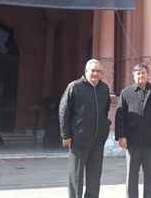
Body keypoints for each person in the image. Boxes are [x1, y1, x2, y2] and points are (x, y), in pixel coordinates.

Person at [58, 59, 111, 198]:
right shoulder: (75, 87)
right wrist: (65, 135)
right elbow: (64, 111)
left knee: (94, 178)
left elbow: (105, 111)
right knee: (76, 177)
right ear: (86, 71)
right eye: (93, 70)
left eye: (98, 71)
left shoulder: (104, 89)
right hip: (78, 140)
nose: (95, 73)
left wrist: (105, 128)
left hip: (98, 141)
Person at [115, 62, 151, 198]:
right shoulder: (126, 92)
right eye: (138, 73)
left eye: (143, 73)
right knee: (131, 174)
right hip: (132, 141)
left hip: (150, 140)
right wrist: (121, 136)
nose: (141, 76)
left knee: (150, 173)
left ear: (147, 75)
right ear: (133, 75)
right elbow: (120, 116)